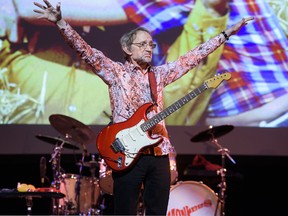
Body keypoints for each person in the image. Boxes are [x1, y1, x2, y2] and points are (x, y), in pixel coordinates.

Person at [32, 0, 253, 215]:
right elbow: (85, 50)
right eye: (143, 44)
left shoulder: (159, 75)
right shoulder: (115, 72)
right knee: (125, 211)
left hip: (159, 154)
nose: (149, 48)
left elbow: (193, 57)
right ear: (127, 48)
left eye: (151, 44)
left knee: (157, 211)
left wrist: (226, 33)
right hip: (127, 154)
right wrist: (61, 23)